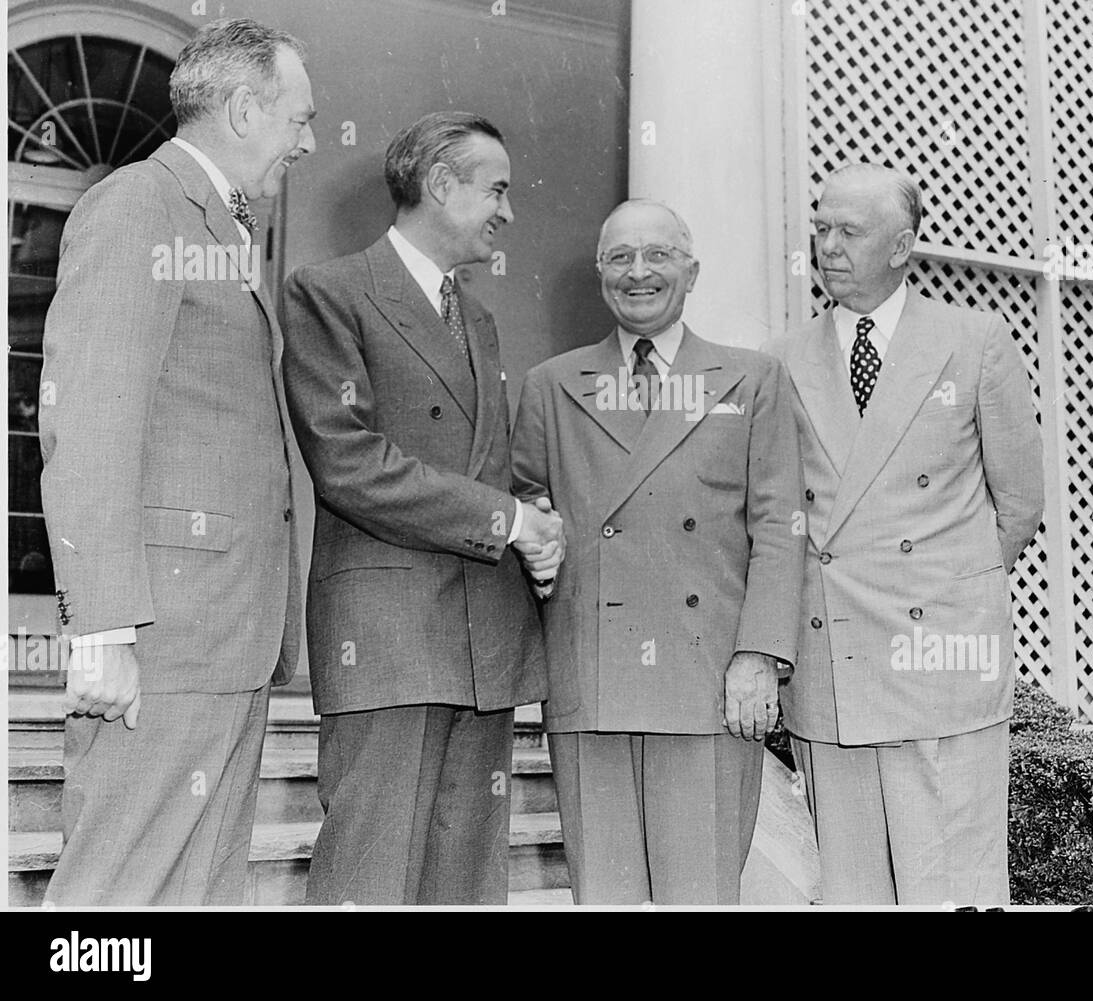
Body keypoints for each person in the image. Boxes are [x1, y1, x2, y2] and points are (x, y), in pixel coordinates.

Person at [39, 17, 316, 904]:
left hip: (222, 638)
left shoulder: (219, 232)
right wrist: (104, 626)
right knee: (118, 900)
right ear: (242, 111)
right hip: (164, 638)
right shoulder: (138, 206)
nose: (307, 144)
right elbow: (88, 420)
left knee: (194, 895)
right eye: (298, 121)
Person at [281, 112, 560, 904]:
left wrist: (534, 515)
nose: (508, 211)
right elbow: (349, 461)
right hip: (387, 640)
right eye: (496, 188)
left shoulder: (478, 319)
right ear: (441, 183)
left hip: (485, 640)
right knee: (372, 877)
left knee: (467, 885)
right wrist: (508, 520)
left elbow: (486, 467)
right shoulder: (330, 293)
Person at [766, 163, 1044, 905]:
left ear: (902, 245)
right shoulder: (781, 359)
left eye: (848, 231)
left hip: (942, 660)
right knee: (853, 890)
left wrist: (947, 593)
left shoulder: (975, 339)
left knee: (952, 887)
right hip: (833, 661)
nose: (827, 245)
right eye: (821, 227)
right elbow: (778, 515)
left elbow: (1018, 503)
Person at [510, 199, 803, 904]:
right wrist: (536, 542)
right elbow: (524, 505)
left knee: (698, 894)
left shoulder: (750, 379)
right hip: (594, 678)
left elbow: (781, 526)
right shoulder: (552, 385)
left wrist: (759, 654)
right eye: (619, 257)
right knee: (604, 896)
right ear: (600, 273)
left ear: (691, 270)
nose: (638, 272)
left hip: (708, 681)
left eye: (658, 255)